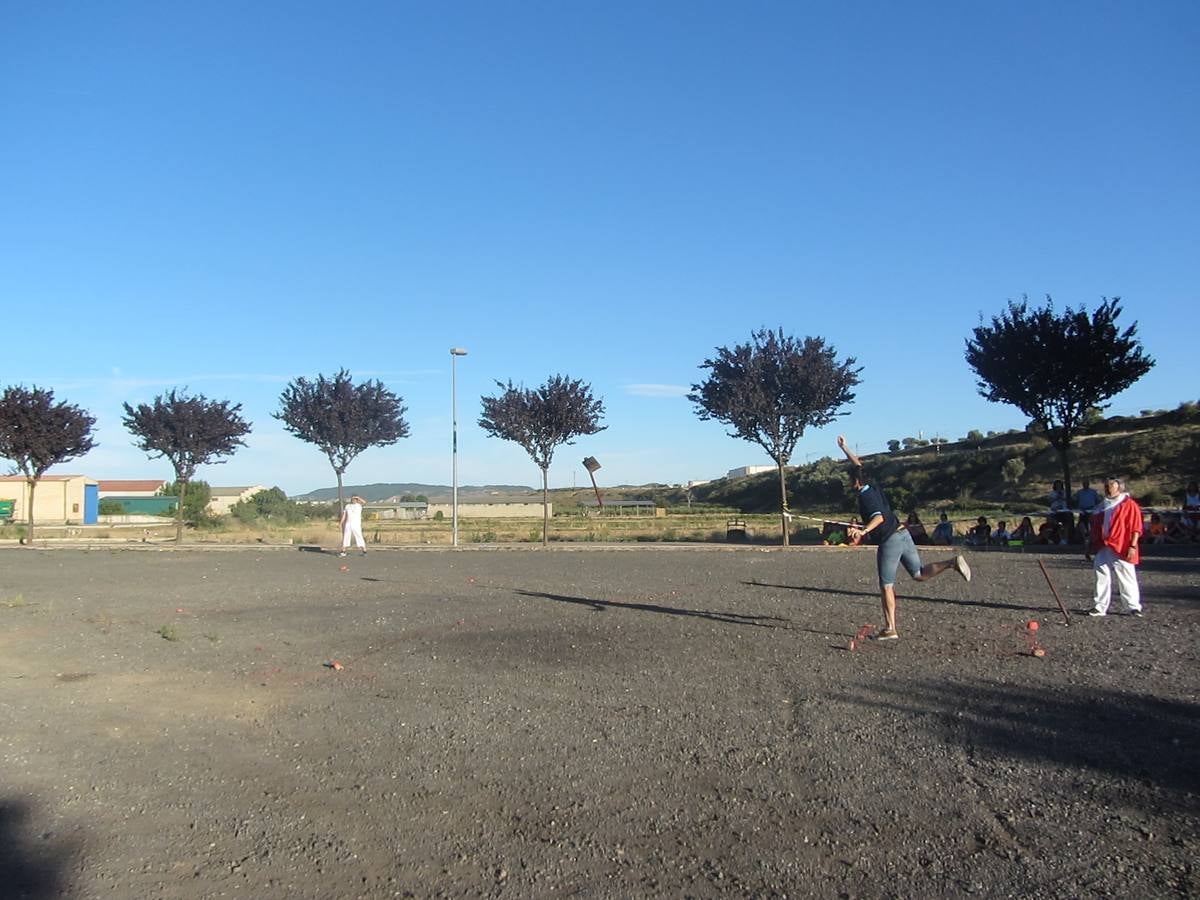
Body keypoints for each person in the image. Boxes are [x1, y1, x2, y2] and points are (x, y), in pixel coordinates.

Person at [837, 435, 971, 641]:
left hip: (889, 540)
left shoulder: (865, 496)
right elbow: (859, 466)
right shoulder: (871, 485)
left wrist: (862, 532)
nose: (849, 483)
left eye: (850, 480)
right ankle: (952, 563)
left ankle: (890, 627)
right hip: (904, 533)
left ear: (855, 482)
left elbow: (878, 517)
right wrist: (844, 447)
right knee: (918, 574)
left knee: (886, 585)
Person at [1086, 477, 1144, 617]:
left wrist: (1132, 546)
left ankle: (1133, 607)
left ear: (1119, 487)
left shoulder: (1128, 504)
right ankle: (1100, 607)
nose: (1108, 488)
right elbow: (1094, 528)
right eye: (1106, 485)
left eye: (1111, 485)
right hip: (1103, 545)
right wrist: (1090, 546)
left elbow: (1136, 527)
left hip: (1121, 545)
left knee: (1126, 576)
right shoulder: (1101, 506)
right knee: (1101, 575)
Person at [1048, 480, 1075, 545]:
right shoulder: (1052, 493)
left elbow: (1069, 499)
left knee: (1066, 524)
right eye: (1057, 485)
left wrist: (1062, 496)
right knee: (1057, 524)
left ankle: (1065, 539)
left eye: (1059, 485)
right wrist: (1056, 497)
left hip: (1064, 510)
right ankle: (1061, 538)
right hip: (1055, 511)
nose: (1058, 486)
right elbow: (1050, 500)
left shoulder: (1065, 492)